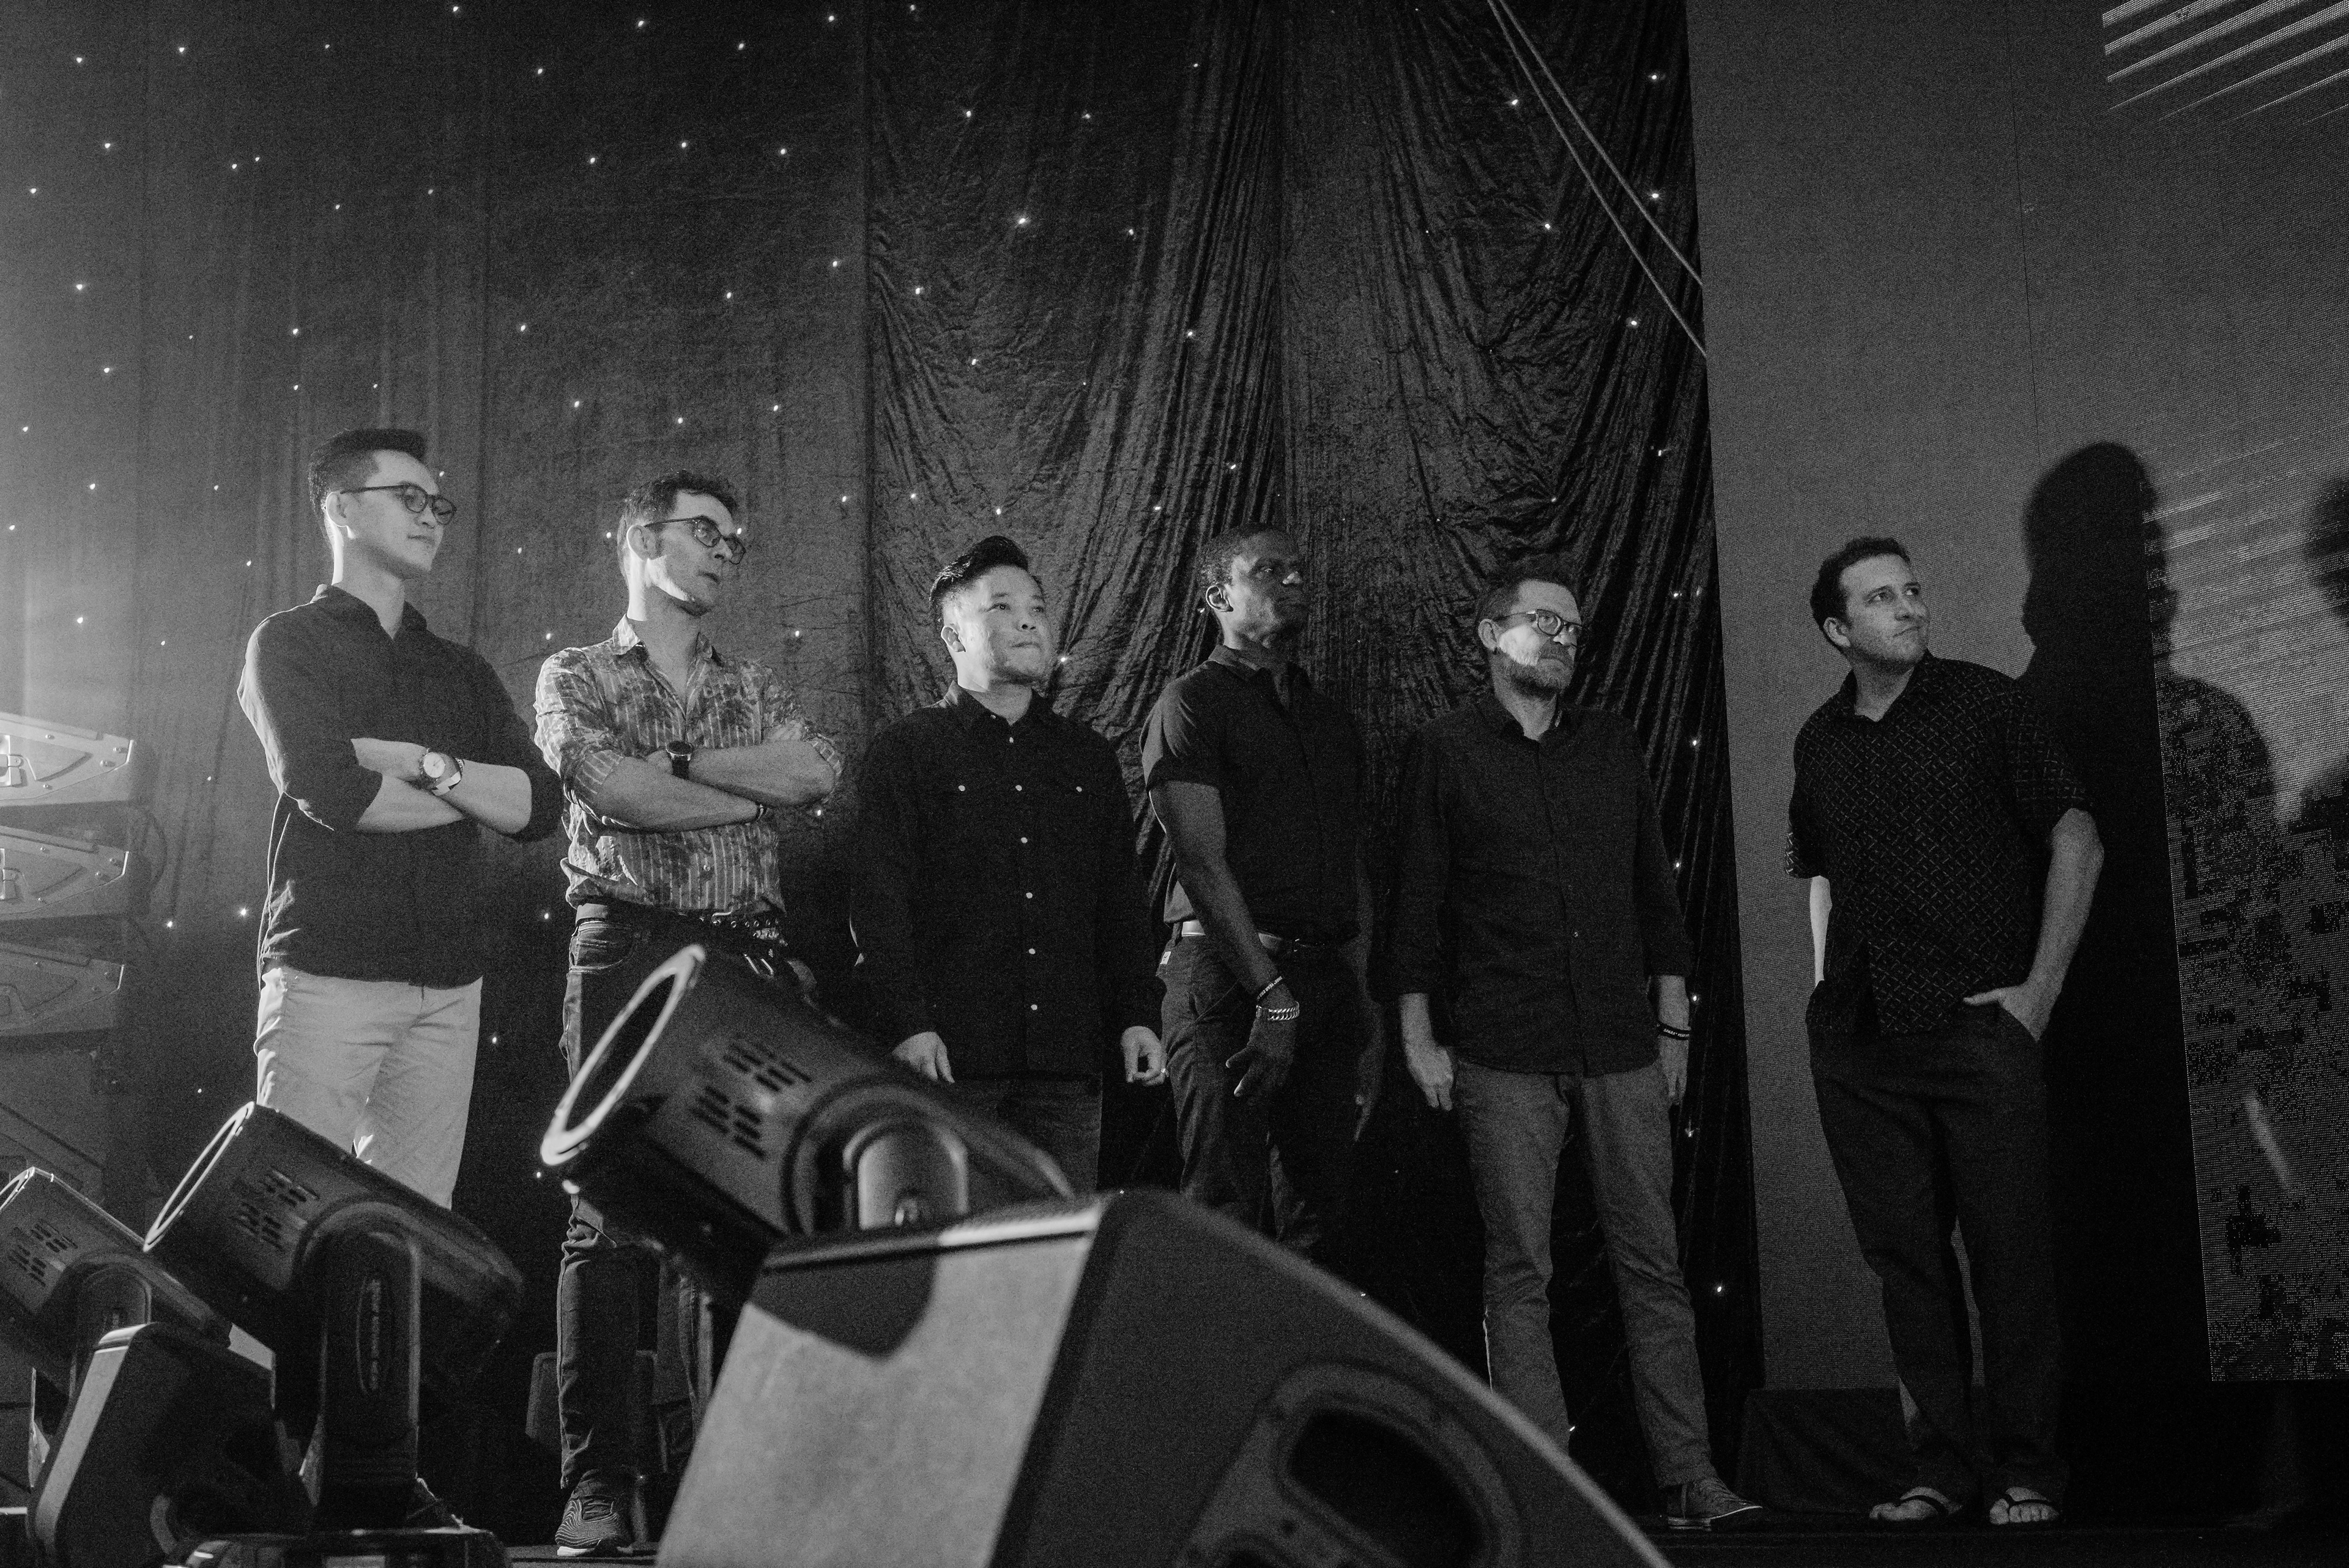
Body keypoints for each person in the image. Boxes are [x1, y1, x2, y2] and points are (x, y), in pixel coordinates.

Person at [1389, 557, 1757, 1531]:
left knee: (1654, 1265)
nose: (1562, 640)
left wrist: (1674, 1024)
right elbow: (1417, 900)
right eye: (1544, 622)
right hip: (1503, 1043)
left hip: (1621, 1041)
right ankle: (1546, 1488)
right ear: (1490, 634)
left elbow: (1655, 893)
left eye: (1573, 628)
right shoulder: (1445, 749)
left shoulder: (1611, 741)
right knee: (1520, 1269)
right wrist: (1418, 1035)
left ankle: (1691, 1479)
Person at [533, 470, 841, 1556]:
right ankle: (599, 1482)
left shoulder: (751, 681)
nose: (724, 550)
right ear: (638, 535)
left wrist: (675, 766)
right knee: (607, 1213)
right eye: (704, 531)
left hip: (742, 958)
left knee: (738, 1216)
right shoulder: (574, 672)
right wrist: (737, 793)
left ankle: (733, 1481)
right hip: (625, 945)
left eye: (734, 540)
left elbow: (815, 772)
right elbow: (609, 789)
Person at [1789, 537, 2101, 1529]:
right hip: (1862, 1040)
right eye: (1882, 598)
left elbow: (2078, 834)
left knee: (2013, 1261)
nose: (1910, 607)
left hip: (1977, 1026)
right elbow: (1818, 873)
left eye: (1914, 589)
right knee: (1907, 1266)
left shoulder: (1984, 703)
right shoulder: (1820, 739)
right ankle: (1941, 1471)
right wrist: (1822, 989)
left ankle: (2028, 1472)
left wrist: (2040, 993)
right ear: (1839, 629)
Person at [238, 427, 562, 1208]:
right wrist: (469, 794)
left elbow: (539, 807)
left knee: (415, 1228)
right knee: (287, 1215)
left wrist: (423, 763)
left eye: (438, 504)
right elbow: (334, 792)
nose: (430, 517)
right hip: (328, 971)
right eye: (408, 497)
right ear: (342, 508)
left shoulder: (461, 668)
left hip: (450, 982)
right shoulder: (287, 642)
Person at [851, 535, 1165, 1188]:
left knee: (1057, 1235)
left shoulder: (1087, 756)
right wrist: (908, 1024)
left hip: (1068, 1064)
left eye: (1037, 607)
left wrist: (1138, 1012)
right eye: (1002, 606)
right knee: (952, 1236)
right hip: (950, 1061)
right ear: (953, 635)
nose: (1028, 621)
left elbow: (1120, 899)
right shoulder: (907, 751)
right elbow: (880, 903)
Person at [1141, 527, 1378, 1265]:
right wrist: (1273, 997)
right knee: (1225, 1219)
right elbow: (1201, 863)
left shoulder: (1330, 720)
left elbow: (1352, 870)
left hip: (1322, 978)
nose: (1293, 580)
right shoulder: (1191, 703)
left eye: (1299, 569)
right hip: (1227, 980)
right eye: (1269, 570)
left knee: (1323, 1228)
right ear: (1219, 596)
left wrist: (1360, 1007)